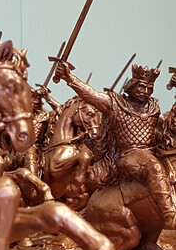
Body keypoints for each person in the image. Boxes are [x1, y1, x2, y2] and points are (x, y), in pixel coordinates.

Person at [56, 61, 176, 229]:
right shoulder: (115, 104)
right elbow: (90, 94)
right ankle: (169, 215)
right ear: (132, 86)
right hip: (127, 157)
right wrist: (69, 78)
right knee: (154, 167)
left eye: (149, 88)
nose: (145, 91)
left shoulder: (153, 108)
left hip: (150, 153)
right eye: (141, 87)